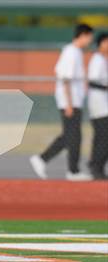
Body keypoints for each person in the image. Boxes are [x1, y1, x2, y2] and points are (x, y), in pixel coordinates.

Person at [30, 24, 93, 181]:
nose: (90, 40)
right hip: (69, 101)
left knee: (71, 135)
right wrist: (69, 103)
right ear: (83, 35)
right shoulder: (71, 52)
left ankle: (45, 160)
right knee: (73, 136)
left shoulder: (75, 52)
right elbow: (64, 77)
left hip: (74, 100)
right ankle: (71, 170)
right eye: (89, 37)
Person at [88, 32, 108, 180]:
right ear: (101, 43)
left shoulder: (104, 59)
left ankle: (95, 165)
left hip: (104, 104)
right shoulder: (97, 59)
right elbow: (92, 81)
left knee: (101, 137)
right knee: (103, 137)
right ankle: (97, 168)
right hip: (99, 105)